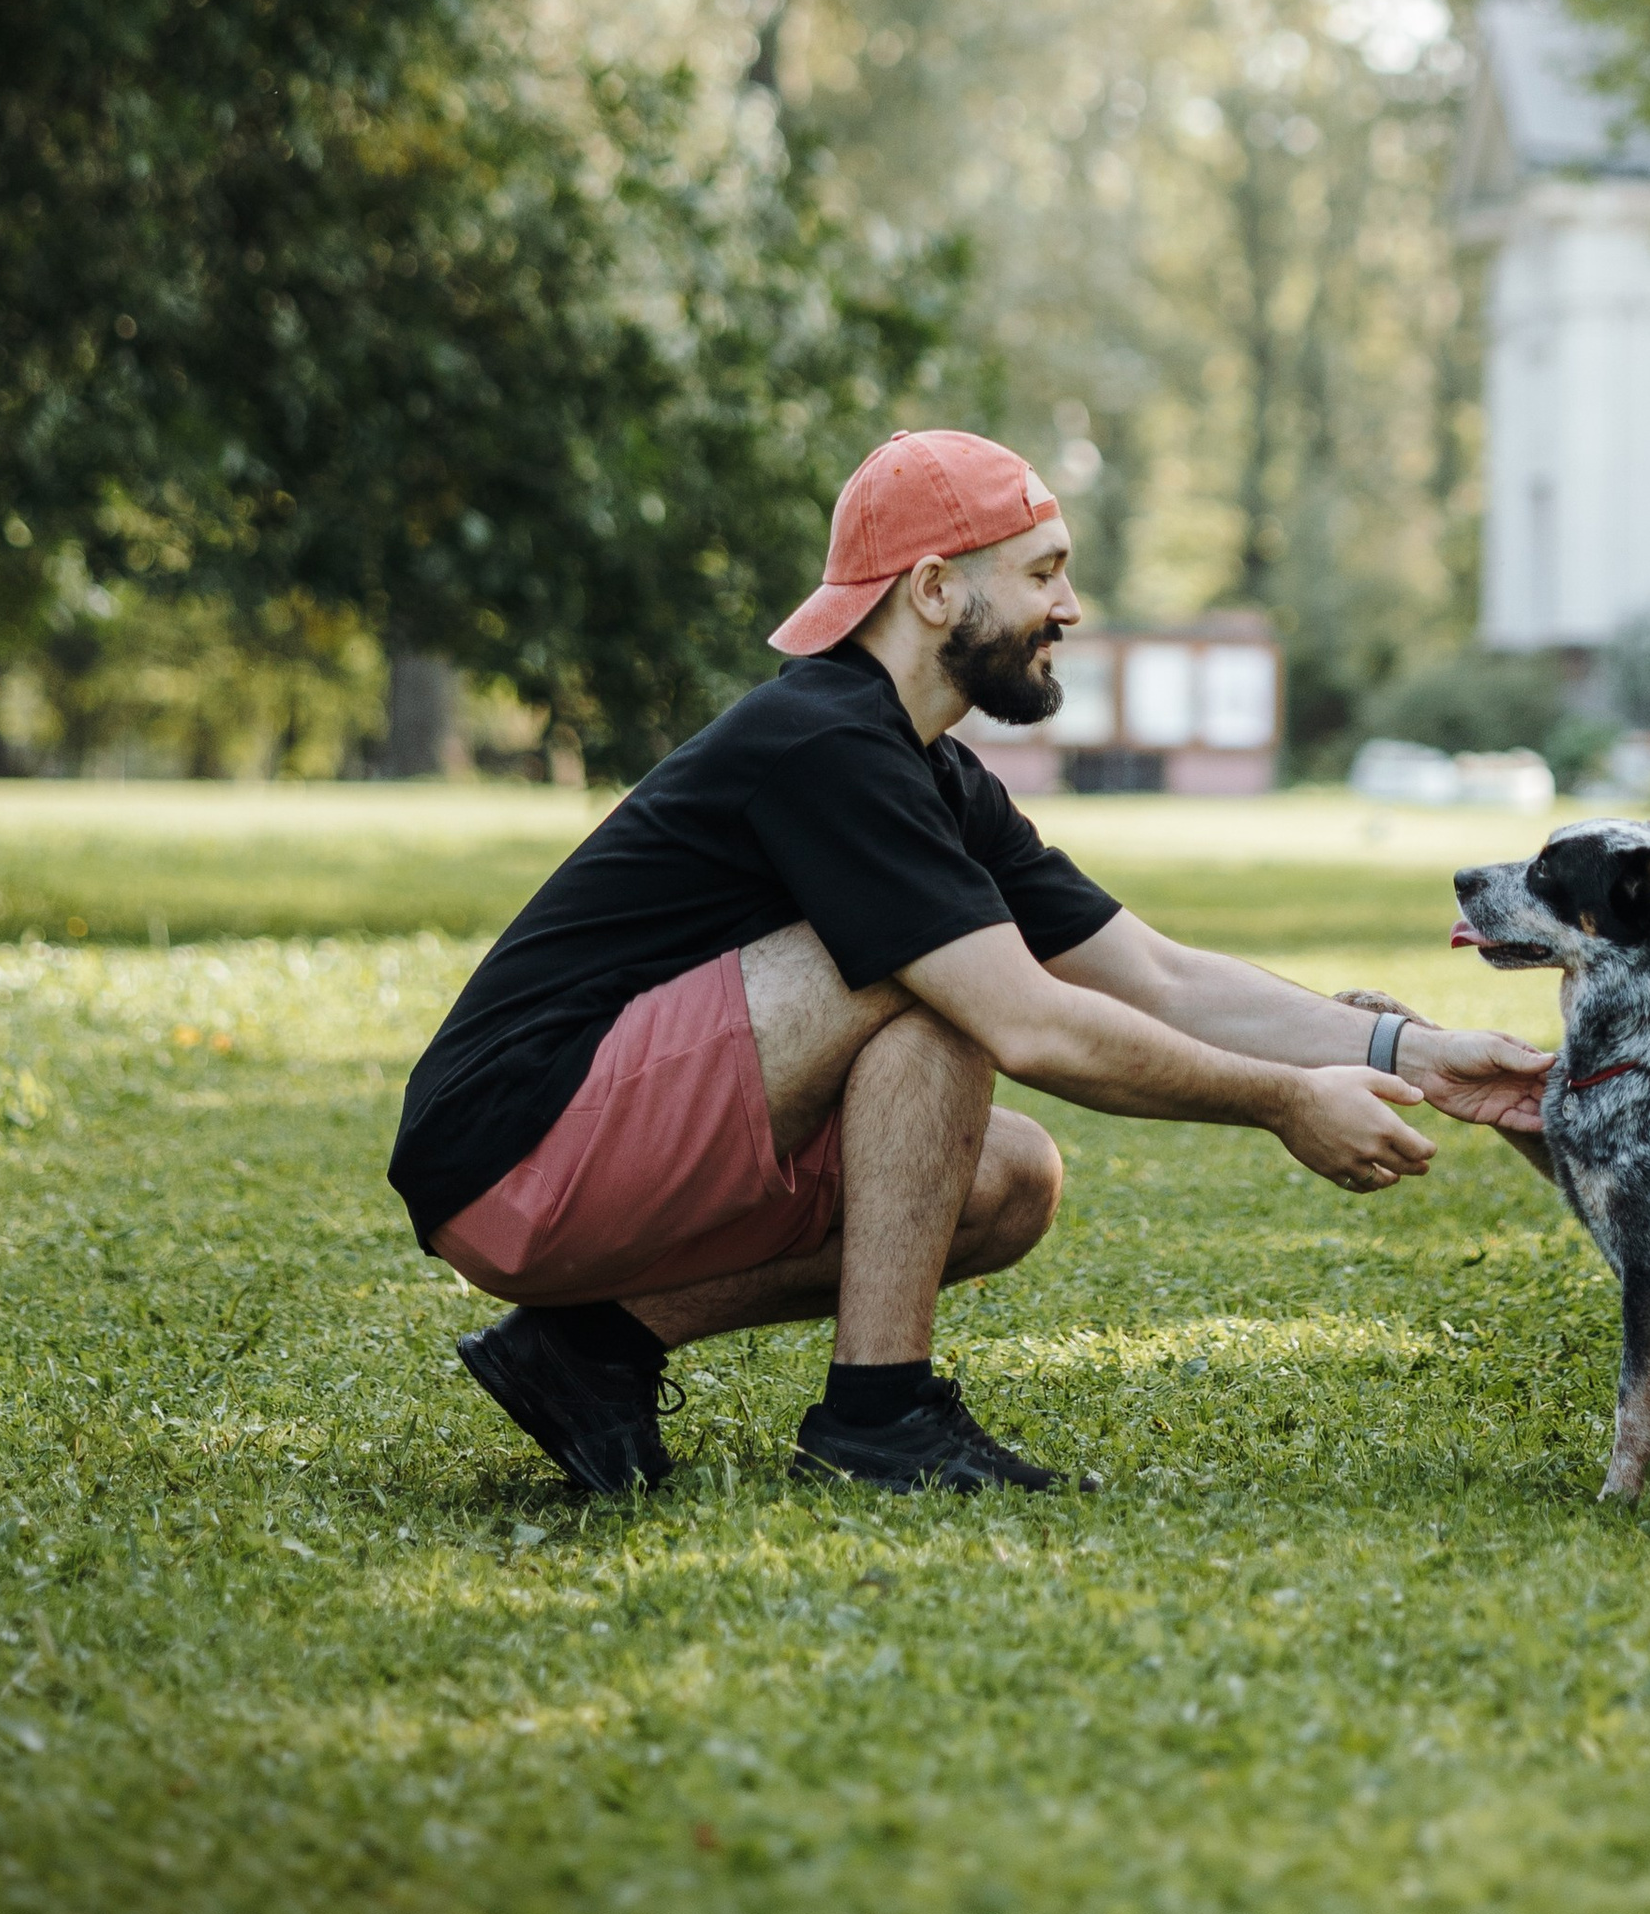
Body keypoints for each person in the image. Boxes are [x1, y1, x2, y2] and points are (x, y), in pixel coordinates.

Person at [390, 429, 1550, 1498]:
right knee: (952, 989)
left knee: (1005, 1184)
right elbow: (1033, 1024)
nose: (1072, 605)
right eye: (1043, 572)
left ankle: (592, 1346)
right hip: (516, 1146)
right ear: (936, 588)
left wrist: (1422, 1053)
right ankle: (877, 1419)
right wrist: (1287, 1101)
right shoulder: (825, 743)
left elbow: (1155, 974)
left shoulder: (931, 772)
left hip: (595, 1154)